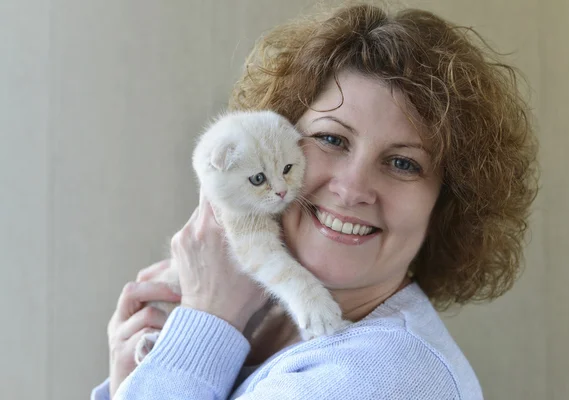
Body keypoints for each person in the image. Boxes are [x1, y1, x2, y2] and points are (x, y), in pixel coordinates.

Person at [92, 3, 538, 399]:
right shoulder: (257, 321)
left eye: (403, 164)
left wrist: (203, 328)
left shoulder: (391, 377)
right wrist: (130, 380)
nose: (351, 188)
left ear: (447, 202)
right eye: (330, 139)